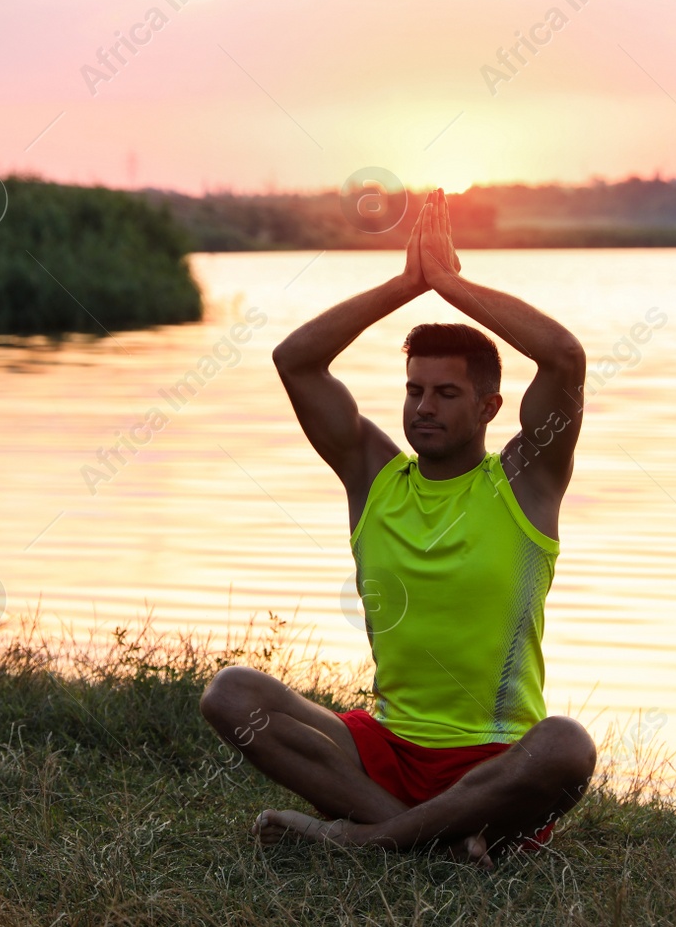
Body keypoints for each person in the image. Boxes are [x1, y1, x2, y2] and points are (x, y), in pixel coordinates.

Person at [199, 189, 596, 866]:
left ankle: (366, 837)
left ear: (490, 405)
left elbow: (562, 357)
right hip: (385, 751)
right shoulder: (373, 475)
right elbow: (295, 359)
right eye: (414, 389)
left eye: (446, 392)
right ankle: (439, 844)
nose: (423, 407)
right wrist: (405, 284)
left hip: (495, 762)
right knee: (231, 693)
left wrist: (452, 285)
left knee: (566, 745)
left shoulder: (526, 481)